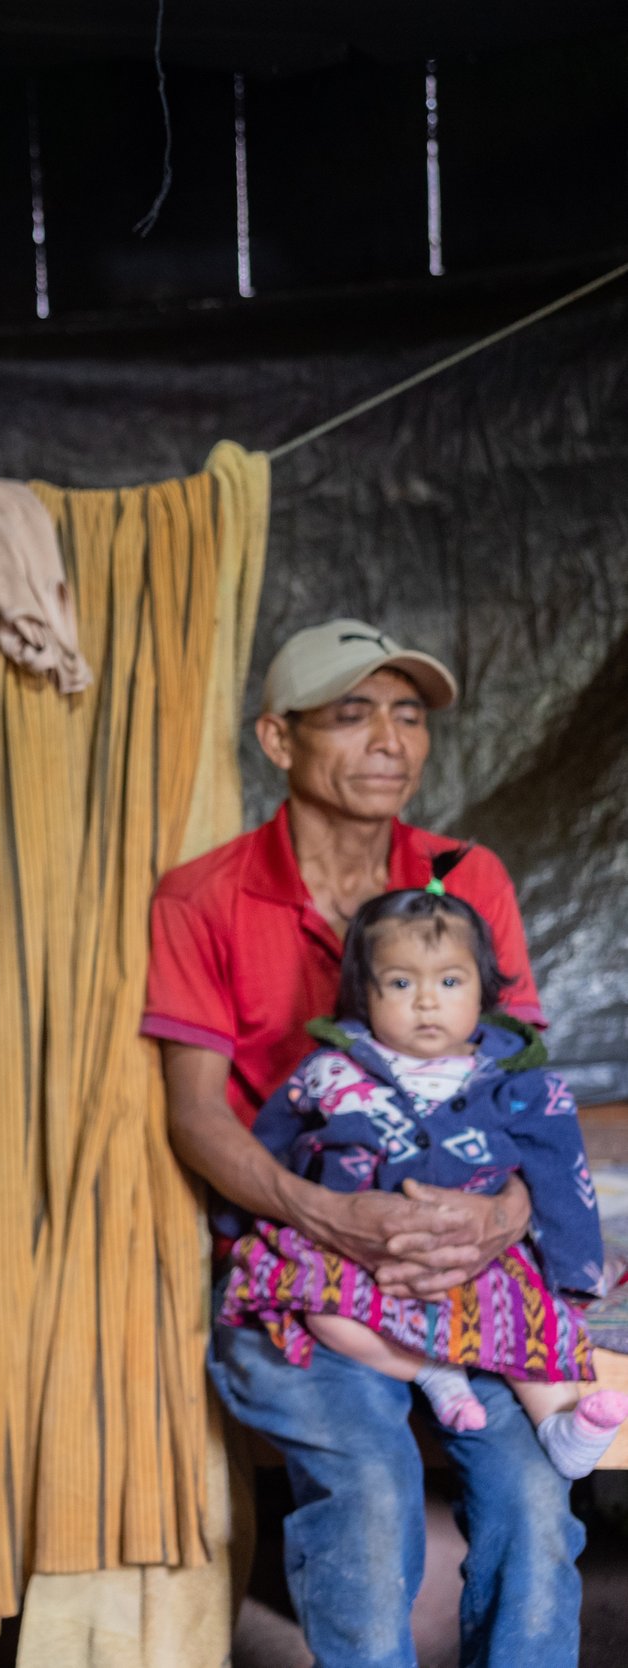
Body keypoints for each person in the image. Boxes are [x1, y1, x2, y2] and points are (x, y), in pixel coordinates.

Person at [145, 618, 586, 1667]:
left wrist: (497, 1219)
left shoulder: (463, 879)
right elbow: (194, 1110)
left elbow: (529, 1095)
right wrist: (329, 1214)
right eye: (351, 714)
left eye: (407, 714)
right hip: (304, 1274)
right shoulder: (202, 896)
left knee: (532, 1498)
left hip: (464, 1266)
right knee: (372, 1493)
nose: (389, 739)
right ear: (276, 739)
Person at [215, 872, 622, 1476]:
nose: (426, 1001)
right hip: (350, 1248)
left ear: (483, 991)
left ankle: (561, 1426)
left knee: (532, 1326)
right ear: (365, 995)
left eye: (449, 982)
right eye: (401, 983)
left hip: (478, 1254)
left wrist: (575, 1272)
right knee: (324, 1311)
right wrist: (234, 1224)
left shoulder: (519, 1084)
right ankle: (434, 1372)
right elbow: (273, 1139)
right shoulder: (329, 1071)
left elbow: (562, 1175)